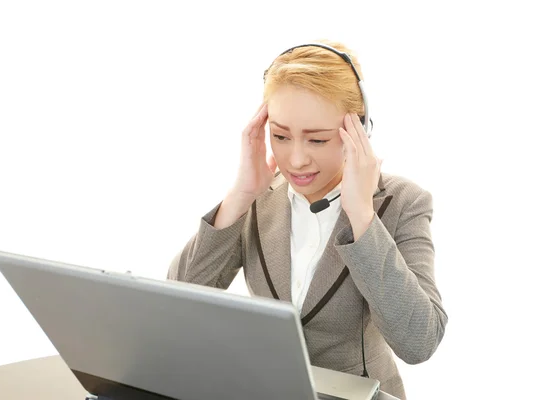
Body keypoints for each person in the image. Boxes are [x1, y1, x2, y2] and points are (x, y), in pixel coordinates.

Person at [167, 39, 448, 399]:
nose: (296, 159)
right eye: (280, 136)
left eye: (316, 140)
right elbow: (176, 306)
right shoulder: (259, 196)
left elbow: (419, 341)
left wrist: (362, 216)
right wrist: (239, 196)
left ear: (358, 130)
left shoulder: (401, 202)